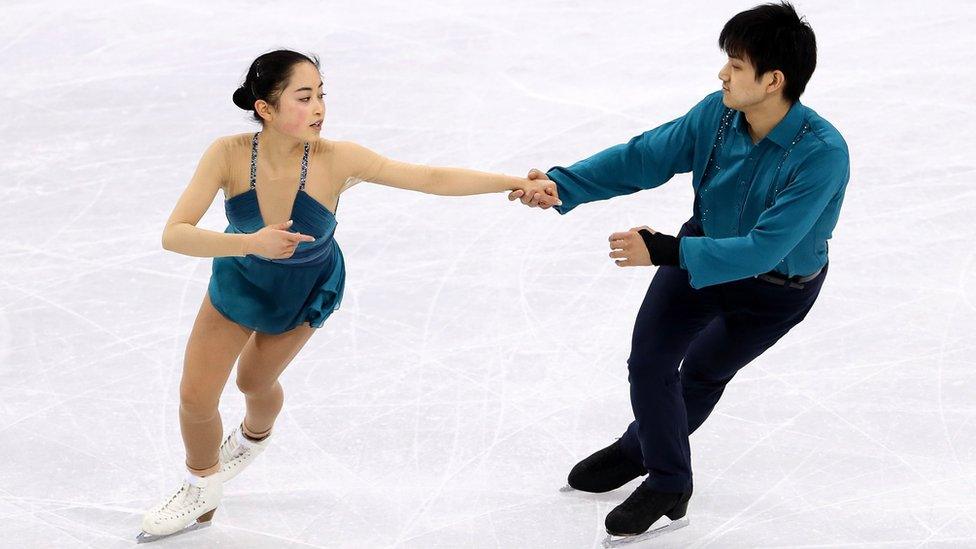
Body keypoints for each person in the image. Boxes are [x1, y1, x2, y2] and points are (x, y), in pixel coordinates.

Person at [138, 49, 557, 542]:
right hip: (241, 279)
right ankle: (200, 486)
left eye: (321, 95)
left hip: (304, 288)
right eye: (303, 97)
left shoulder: (338, 160)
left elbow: (428, 178)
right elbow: (175, 234)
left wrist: (512, 182)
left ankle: (253, 436)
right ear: (265, 108)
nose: (318, 108)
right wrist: (250, 243)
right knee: (195, 395)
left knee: (254, 381)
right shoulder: (227, 154)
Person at [510, 2, 849, 544]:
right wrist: (562, 185)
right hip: (699, 255)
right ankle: (669, 481)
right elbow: (644, 156)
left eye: (736, 65)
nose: (723, 74)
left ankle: (635, 450)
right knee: (650, 361)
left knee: (702, 374)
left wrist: (664, 250)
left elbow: (764, 248)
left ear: (772, 81)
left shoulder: (823, 154)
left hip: (776, 289)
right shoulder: (716, 115)